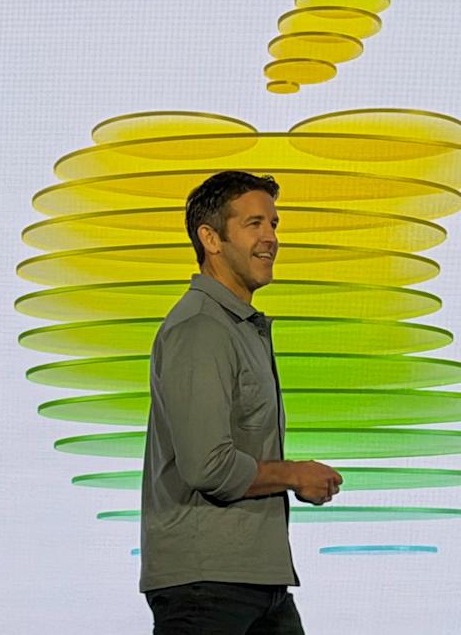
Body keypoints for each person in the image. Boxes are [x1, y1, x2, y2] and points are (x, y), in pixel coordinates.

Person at [140, 170, 343, 634]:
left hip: (254, 583)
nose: (270, 238)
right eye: (254, 224)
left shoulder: (239, 328)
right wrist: (294, 474)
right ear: (210, 239)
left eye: (273, 224)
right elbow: (207, 466)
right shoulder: (201, 328)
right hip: (207, 589)